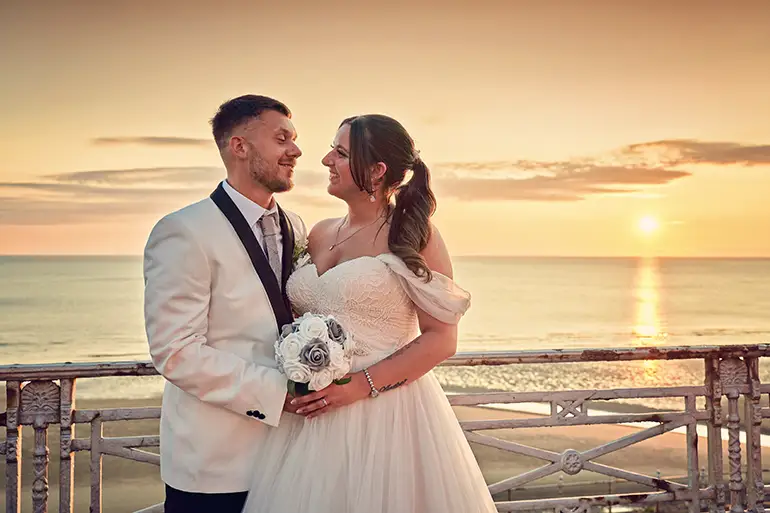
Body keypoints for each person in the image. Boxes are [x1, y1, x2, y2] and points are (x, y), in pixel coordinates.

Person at [242, 114, 497, 512]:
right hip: (310, 418)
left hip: (385, 415)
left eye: (341, 153)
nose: (326, 159)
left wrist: (360, 386)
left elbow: (441, 339)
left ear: (376, 171)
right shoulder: (319, 232)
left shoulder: (413, 234)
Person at [143, 94, 306, 513]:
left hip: (296, 457)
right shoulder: (183, 231)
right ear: (240, 146)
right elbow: (175, 352)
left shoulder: (298, 226)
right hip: (217, 465)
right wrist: (279, 393)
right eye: (282, 138)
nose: (296, 151)